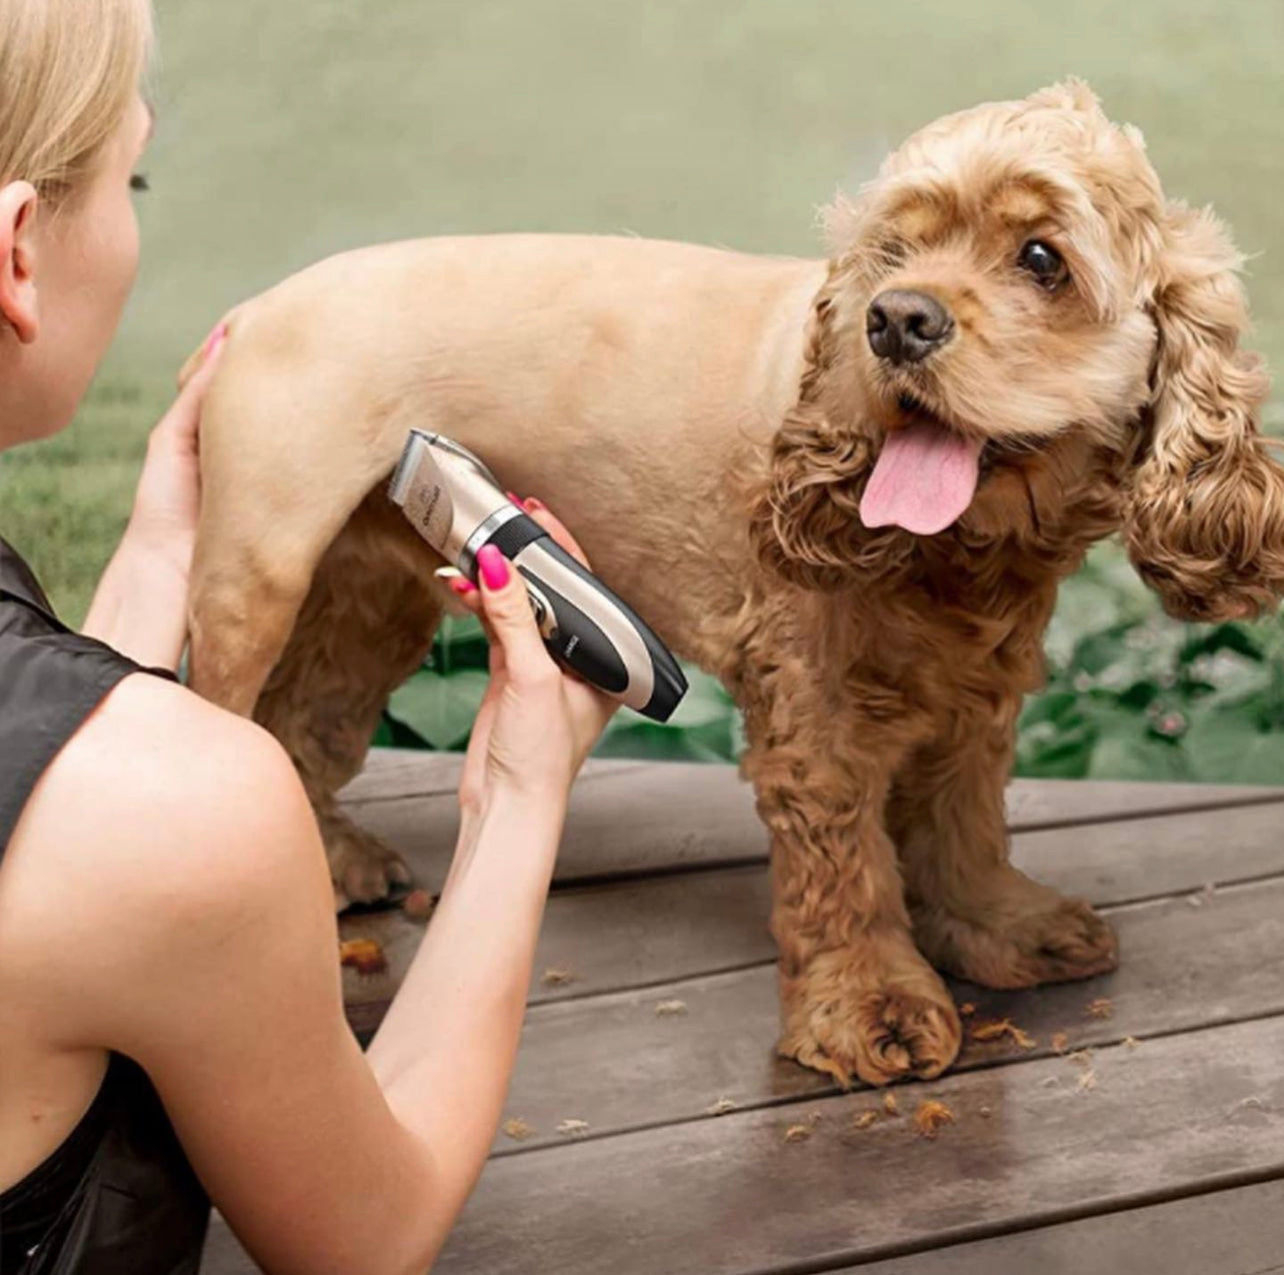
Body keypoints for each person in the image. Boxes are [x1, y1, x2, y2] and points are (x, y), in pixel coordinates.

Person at [0, 3, 617, 1271]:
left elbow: (47, 772)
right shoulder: (185, 819)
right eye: (134, 176)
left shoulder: (119, 807)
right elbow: (366, 1234)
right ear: (18, 254)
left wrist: (160, 554)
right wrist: (521, 792)